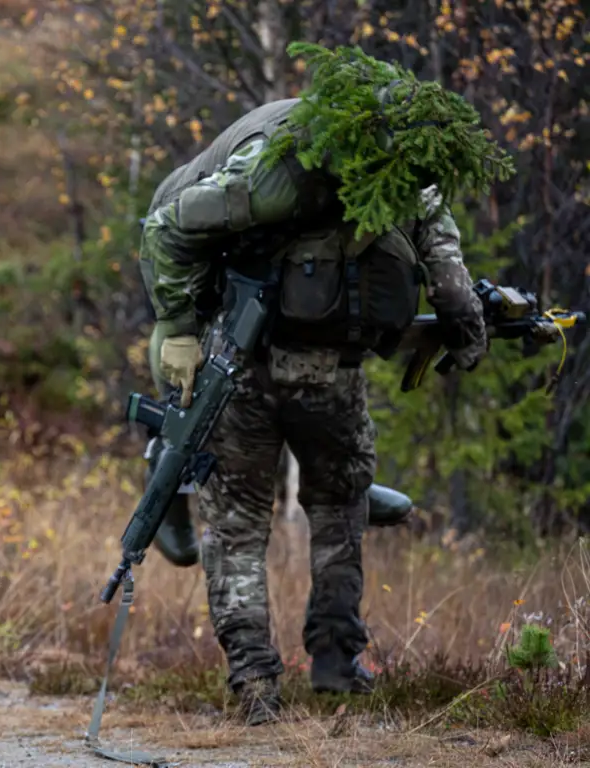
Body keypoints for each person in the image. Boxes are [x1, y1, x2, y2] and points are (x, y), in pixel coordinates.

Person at [138, 43, 512, 725]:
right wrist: (467, 338)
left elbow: (170, 233)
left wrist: (186, 324)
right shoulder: (287, 168)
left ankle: (255, 684)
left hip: (251, 375)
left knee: (239, 527)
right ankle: (337, 663)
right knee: (339, 515)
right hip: (307, 375)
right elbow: (453, 285)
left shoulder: (390, 169)